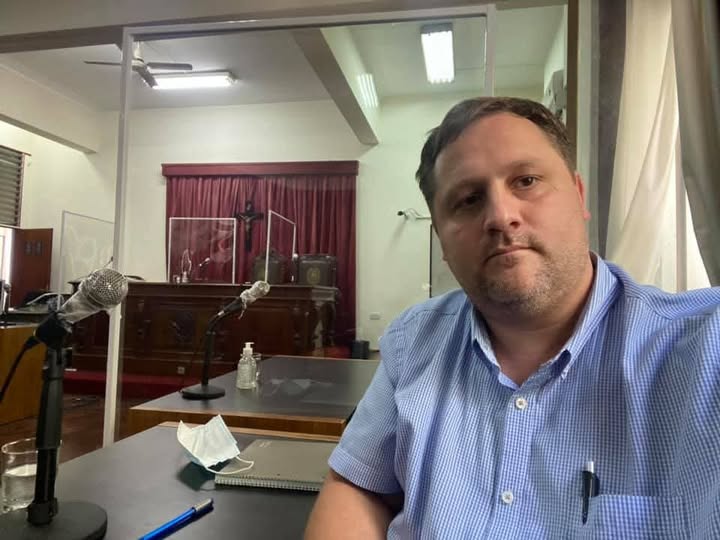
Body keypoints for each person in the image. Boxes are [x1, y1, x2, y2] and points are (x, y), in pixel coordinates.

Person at [305, 97, 720, 539]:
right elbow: (360, 485)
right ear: (441, 238)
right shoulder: (413, 340)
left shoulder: (704, 346)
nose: (501, 217)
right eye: (468, 200)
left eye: (526, 180)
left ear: (579, 196)